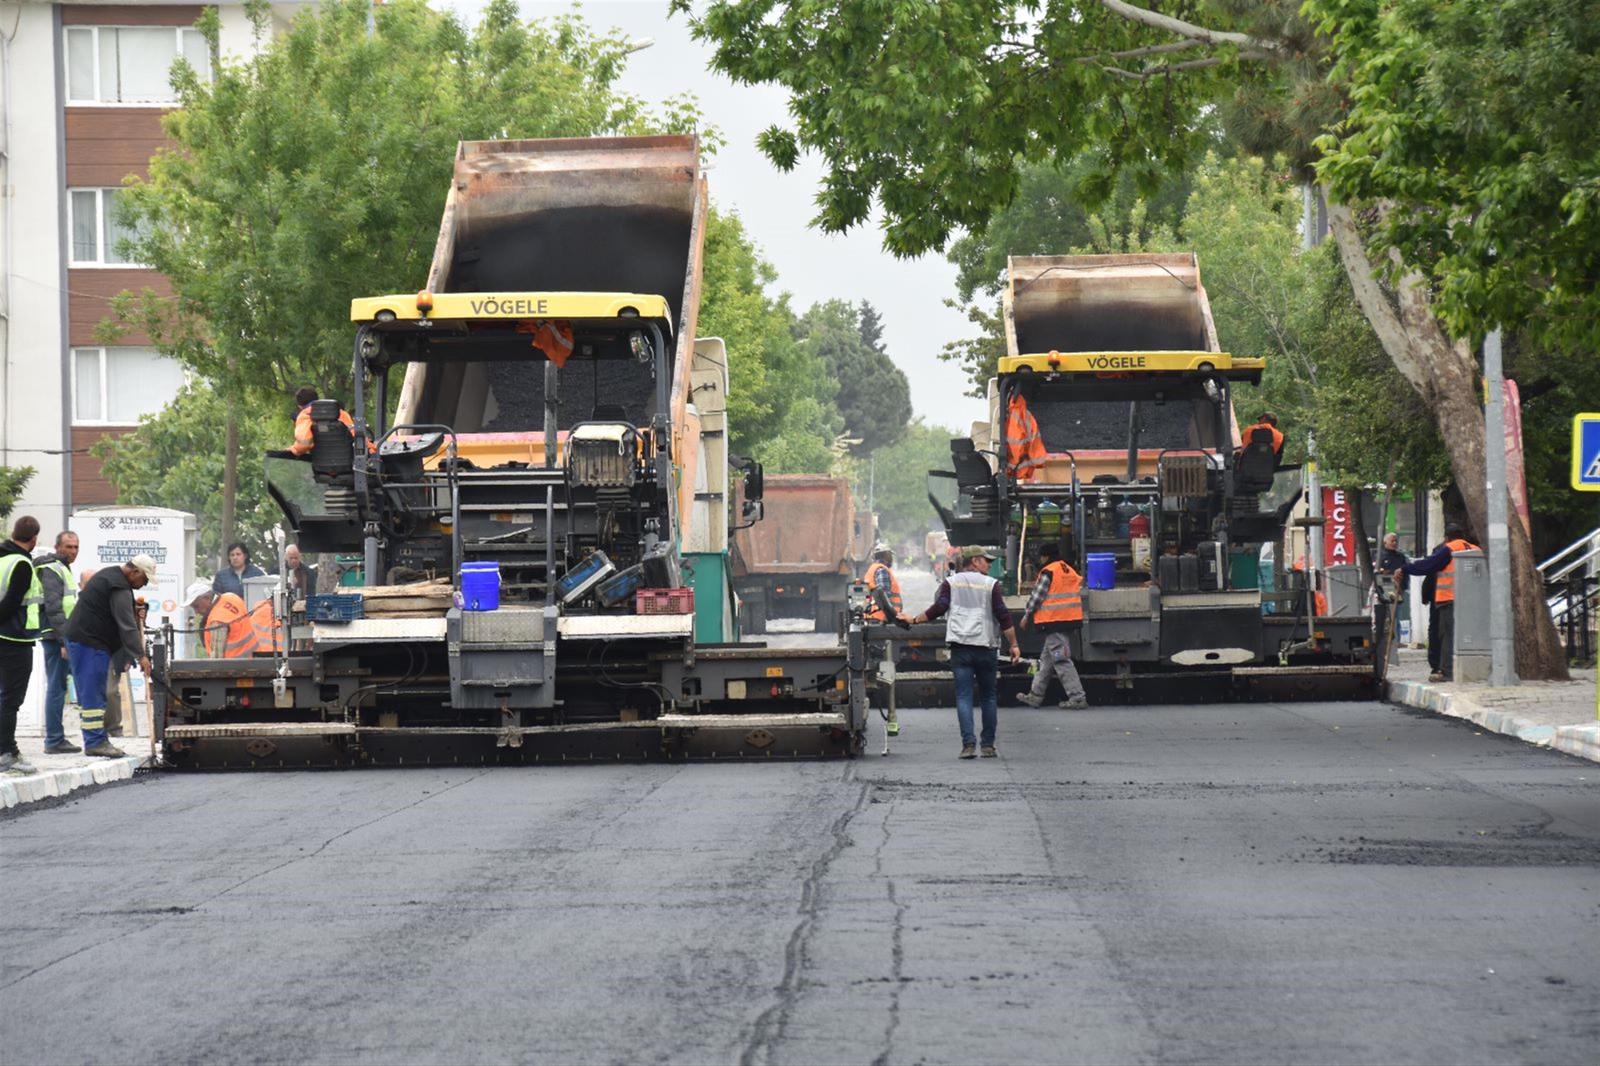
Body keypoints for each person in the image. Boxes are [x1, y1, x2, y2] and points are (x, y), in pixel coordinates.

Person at [907, 545, 1021, 760]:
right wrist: (1013, 645)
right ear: (975, 561)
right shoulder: (991, 585)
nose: (989, 564)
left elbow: (939, 608)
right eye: (986, 560)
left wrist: (914, 619)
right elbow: (1003, 616)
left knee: (964, 697)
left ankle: (968, 745)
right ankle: (988, 746)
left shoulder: (951, 583)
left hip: (961, 649)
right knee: (988, 697)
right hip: (986, 648)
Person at [64, 554, 156, 758]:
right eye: (145, 579)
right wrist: (141, 656)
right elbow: (127, 626)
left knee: (93, 692)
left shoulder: (112, 577)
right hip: (89, 642)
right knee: (93, 693)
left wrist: (136, 611)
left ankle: (97, 738)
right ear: (135, 572)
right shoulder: (118, 586)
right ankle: (95, 742)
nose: (144, 584)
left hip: (86, 641)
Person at [1392, 523, 1478, 683]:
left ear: (1446, 537)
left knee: (1447, 635)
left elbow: (1428, 565)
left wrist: (1405, 569)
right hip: (1471, 601)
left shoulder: (1449, 548)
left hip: (1449, 599)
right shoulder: (1474, 549)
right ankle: (1470, 669)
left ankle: (1446, 672)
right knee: (1467, 636)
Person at [1015, 544, 1088, 709]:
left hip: (1054, 620)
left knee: (1060, 659)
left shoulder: (1049, 571)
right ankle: (1035, 695)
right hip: (1068, 619)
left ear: (1046, 556)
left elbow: (1037, 596)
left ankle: (1077, 697)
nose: (1040, 560)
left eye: (1041, 556)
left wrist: (1027, 615)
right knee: (1047, 660)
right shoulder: (1068, 569)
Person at [0, 516, 43, 773]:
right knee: (11, 698)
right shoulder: (21, 563)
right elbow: (11, 603)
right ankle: (7, 752)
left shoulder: (2, 557)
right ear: (34, 538)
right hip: (14, 638)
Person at [35, 530, 81, 753]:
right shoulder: (52, 569)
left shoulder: (62, 568)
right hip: (55, 637)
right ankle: (54, 740)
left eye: (76, 547)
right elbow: (54, 607)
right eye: (68, 547)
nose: (73, 551)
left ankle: (56, 737)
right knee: (56, 687)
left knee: (60, 686)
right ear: (57, 547)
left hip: (61, 635)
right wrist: (64, 641)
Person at [188, 583, 255, 658]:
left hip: (234, 666)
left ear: (207, 598)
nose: (196, 612)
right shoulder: (231, 597)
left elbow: (217, 660)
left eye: (197, 606)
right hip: (253, 659)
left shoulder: (217, 620)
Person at [287, 386, 355, 456]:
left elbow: (305, 443)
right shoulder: (341, 413)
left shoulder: (305, 416)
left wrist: (292, 450)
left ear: (300, 406)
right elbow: (356, 435)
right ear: (317, 399)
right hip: (349, 460)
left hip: (322, 463)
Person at [1374, 532, 1409, 664]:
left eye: (1396, 541)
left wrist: (1403, 587)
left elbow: (1405, 572)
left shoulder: (1401, 557)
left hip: (1398, 589)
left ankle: (1396, 642)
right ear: (1385, 543)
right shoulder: (1381, 557)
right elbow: (1380, 574)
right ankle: (1387, 644)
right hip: (1386, 591)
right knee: (1387, 619)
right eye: (1392, 541)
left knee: (1397, 618)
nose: (1394, 543)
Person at [1004, 392, 1048, 482]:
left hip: (1018, 467)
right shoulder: (1022, 415)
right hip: (1021, 467)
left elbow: (1017, 447)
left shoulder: (1015, 416)